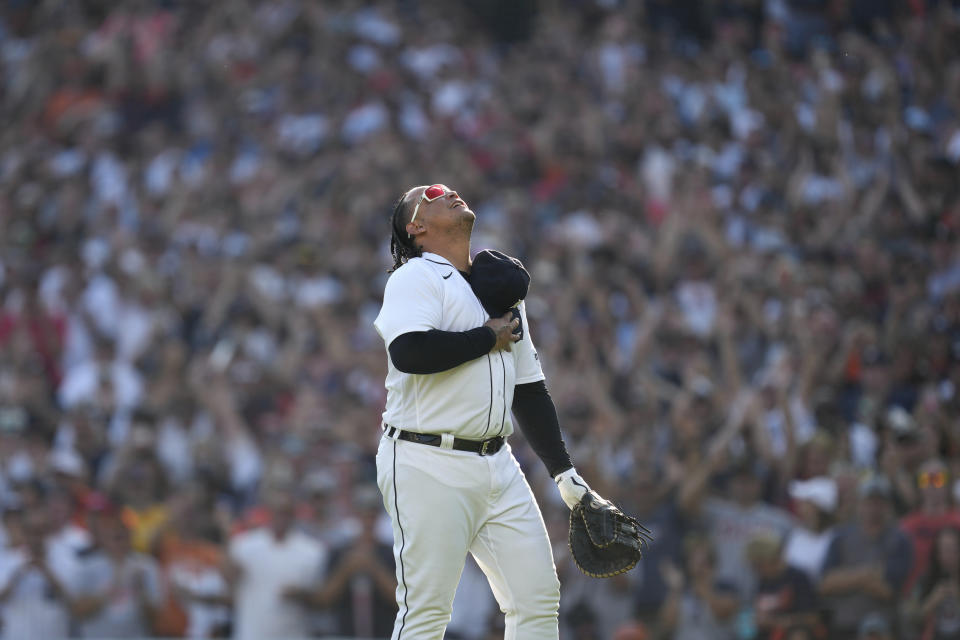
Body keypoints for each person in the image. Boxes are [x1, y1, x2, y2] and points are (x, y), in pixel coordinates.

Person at [373, 184, 622, 639]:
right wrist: (487, 337)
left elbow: (528, 389)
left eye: (450, 188)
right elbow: (410, 352)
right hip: (426, 458)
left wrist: (564, 474)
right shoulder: (414, 277)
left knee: (537, 600)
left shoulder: (498, 289)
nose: (447, 192)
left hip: (497, 463)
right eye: (432, 193)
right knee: (427, 612)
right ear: (417, 227)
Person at [819, 475, 913, 639]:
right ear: (859, 504)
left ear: (888, 506)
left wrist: (845, 578)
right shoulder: (840, 536)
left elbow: (888, 591)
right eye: (869, 502)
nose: (873, 508)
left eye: (879, 503)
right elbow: (825, 584)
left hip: (884, 627)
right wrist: (868, 574)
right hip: (845, 625)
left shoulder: (900, 540)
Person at [224, 490, 327, 640]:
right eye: (278, 512)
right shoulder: (244, 545)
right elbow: (229, 581)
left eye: (286, 512)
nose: (282, 518)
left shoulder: (312, 551)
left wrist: (301, 595)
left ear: (293, 514)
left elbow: (321, 599)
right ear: (269, 513)